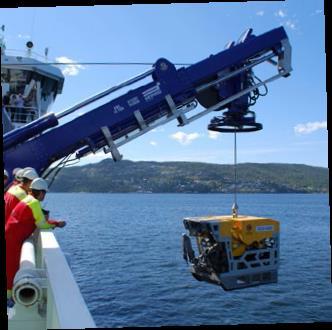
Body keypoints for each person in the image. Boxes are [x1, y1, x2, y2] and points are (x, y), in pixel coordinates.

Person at [6, 178, 66, 304]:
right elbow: (41, 224)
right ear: (41, 192)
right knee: (11, 267)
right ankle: (10, 298)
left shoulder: (27, 199)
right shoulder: (34, 203)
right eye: (44, 193)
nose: (44, 195)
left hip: (11, 236)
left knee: (10, 266)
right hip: (13, 239)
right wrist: (57, 223)